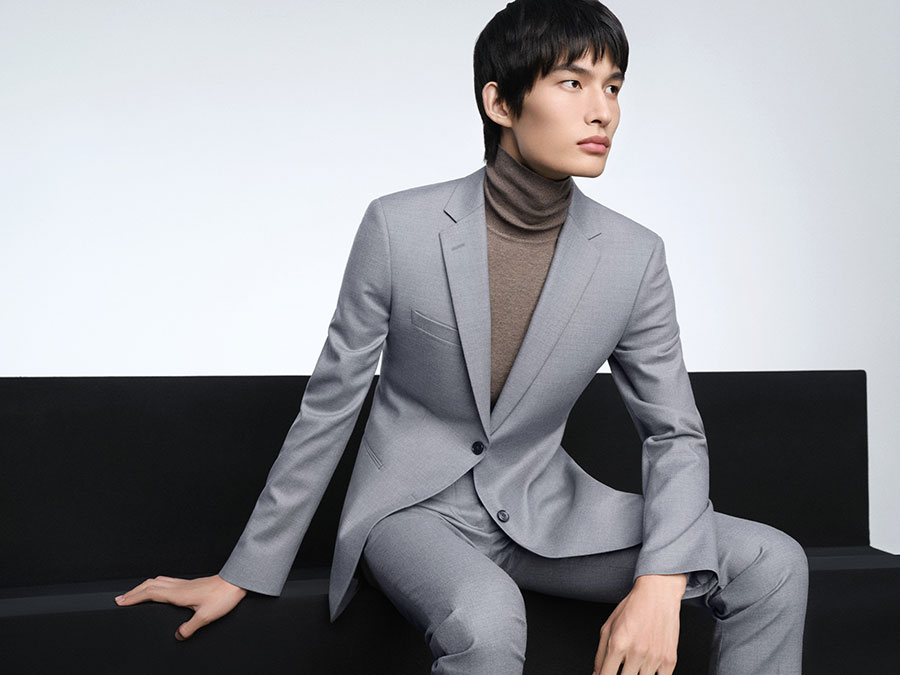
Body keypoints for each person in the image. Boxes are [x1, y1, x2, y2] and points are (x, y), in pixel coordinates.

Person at [114, 1, 809, 673]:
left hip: (545, 512)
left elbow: (674, 433)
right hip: (410, 513)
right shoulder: (399, 228)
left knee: (772, 563)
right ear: (500, 103)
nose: (604, 111)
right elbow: (330, 406)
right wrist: (244, 571)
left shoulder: (634, 255)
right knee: (487, 616)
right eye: (573, 82)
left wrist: (660, 581)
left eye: (613, 86)